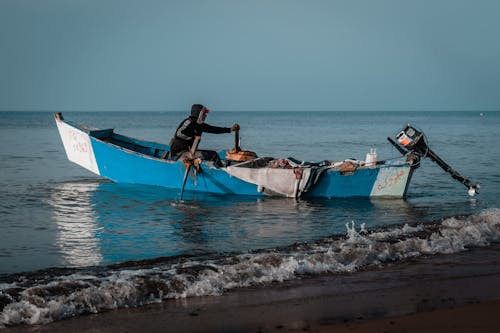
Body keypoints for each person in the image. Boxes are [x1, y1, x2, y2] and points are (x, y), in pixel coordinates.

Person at [169, 104, 239, 165]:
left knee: (212, 154)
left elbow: (213, 129)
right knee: (213, 155)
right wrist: (191, 135)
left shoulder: (199, 125)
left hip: (188, 152)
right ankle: (222, 171)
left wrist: (229, 129)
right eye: (204, 113)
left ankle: (219, 168)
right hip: (179, 154)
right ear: (198, 114)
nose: (205, 115)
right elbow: (179, 133)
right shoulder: (189, 122)